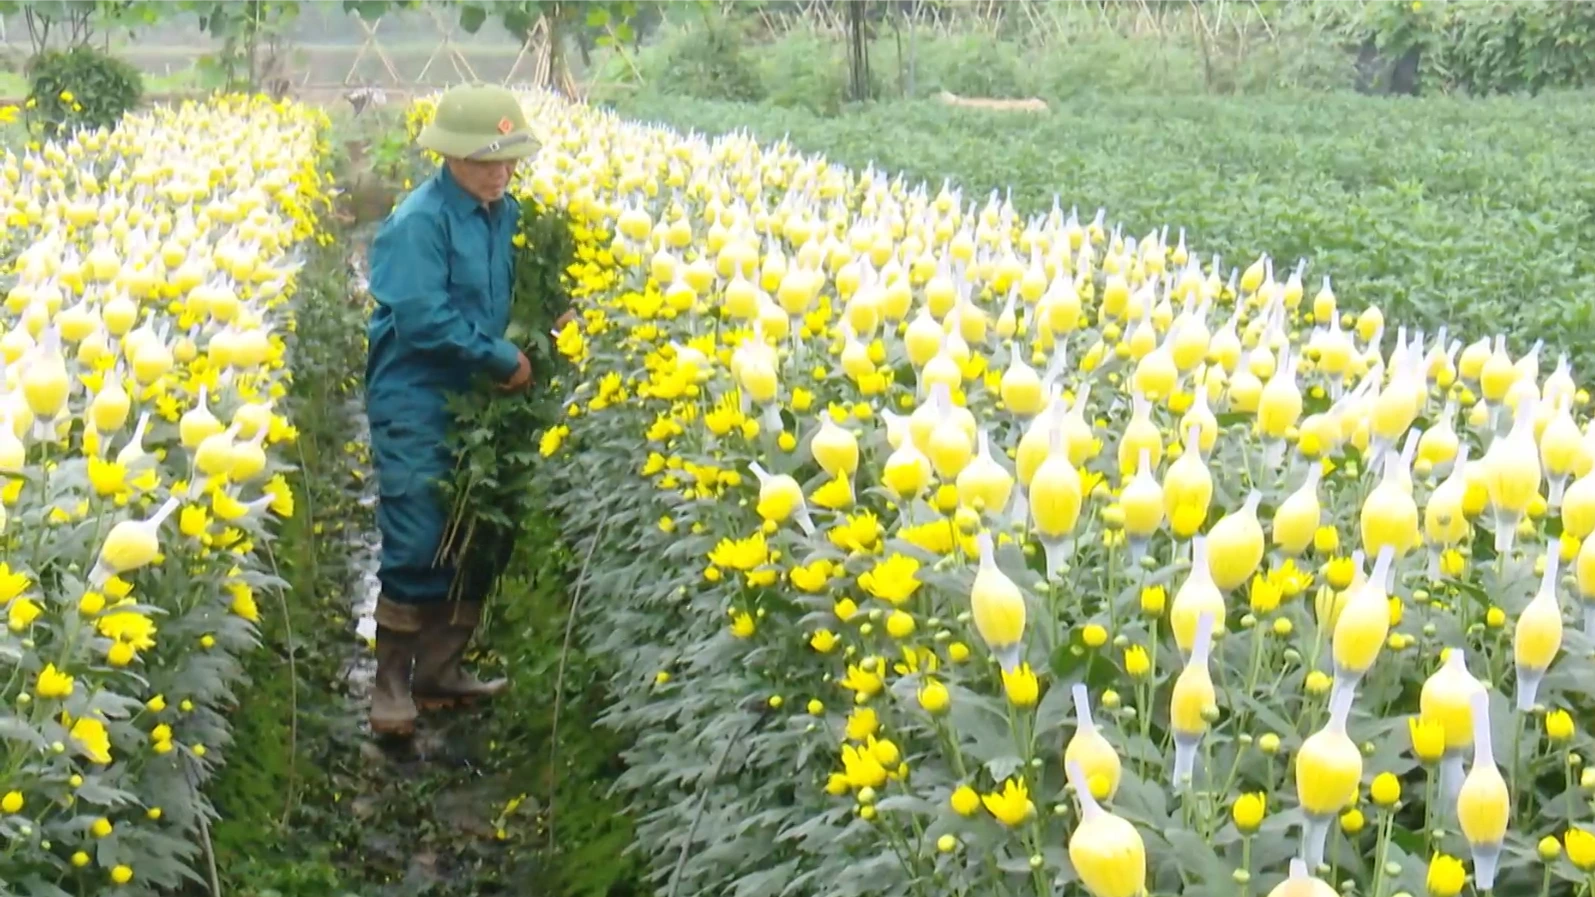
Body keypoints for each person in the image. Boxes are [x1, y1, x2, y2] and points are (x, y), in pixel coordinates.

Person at [363, 83, 541, 739]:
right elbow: (422, 319)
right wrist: (500, 358)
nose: (500, 173)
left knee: (481, 527)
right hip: (416, 391)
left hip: (478, 395)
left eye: (508, 161)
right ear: (451, 159)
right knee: (417, 528)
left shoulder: (506, 213)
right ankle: (389, 685)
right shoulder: (418, 222)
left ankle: (441, 669)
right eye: (486, 162)